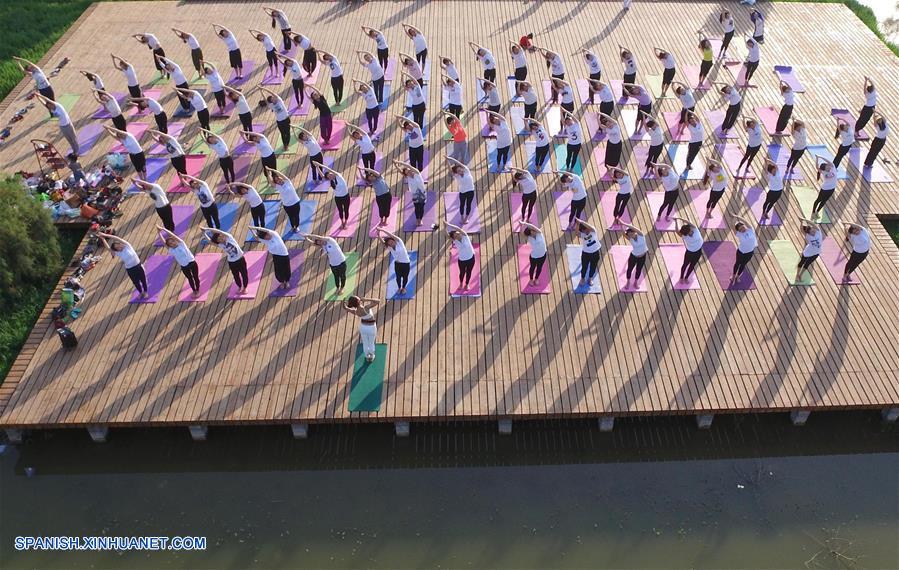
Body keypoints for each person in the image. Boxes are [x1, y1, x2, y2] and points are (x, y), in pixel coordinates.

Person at [98, 233, 147, 298]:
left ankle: (145, 292)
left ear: (120, 243)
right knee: (136, 282)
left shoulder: (127, 246)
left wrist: (105, 235)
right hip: (130, 269)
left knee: (143, 279)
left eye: (118, 245)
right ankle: (141, 293)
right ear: (116, 250)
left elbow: (116, 238)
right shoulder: (118, 253)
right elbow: (109, 249)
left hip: (138, 266)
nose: (119, 247)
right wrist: (103, 239)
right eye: (117, 248)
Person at [158, 226, 201, 296]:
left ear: (175, 241)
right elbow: (163, 242)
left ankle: (198, 290)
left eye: (173, 241)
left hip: (192, 263)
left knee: (195, 277)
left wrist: (163, 229)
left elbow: (173, 235)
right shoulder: (171, 250)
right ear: (169, 246)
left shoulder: (182, 244)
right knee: (190, 279)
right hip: (184, 267)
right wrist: (159, 232)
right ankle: (194, 290)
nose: (172, 243)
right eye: (170, 244)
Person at [205, 227, 248, 293]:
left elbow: (218, 231)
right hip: (232, 263)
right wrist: (204, 233)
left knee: (244, 274)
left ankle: (245, 287)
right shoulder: (221, 245)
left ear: (221, 235)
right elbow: (211, 242)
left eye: (220, 237)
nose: (221, 239)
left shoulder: (229, 238)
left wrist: (206, 229)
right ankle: (239, 287)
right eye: (218, 240)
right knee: (236, 276)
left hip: (240, 259)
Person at [344, 296, 380, 362]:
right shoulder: (366, 308)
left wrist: (344, 303)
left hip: (363, 327)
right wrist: (366, 299)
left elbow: (346, 308)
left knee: (365, 343)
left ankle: (367, 356)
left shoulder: (356, 311)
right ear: (358, 301)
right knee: (371, 343)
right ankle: (371, 356)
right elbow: (378, 301)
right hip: (371, 327)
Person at [377, 227, 412, 295]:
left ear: (394, 240)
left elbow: (391, 235)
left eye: (392, 241)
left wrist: (382, 230)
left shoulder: (399, 242)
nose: (391, 243)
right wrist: (378, 235)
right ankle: (399, 288)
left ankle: (404, 288)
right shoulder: (390, 248)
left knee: (405, 277)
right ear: (389, 245)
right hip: (397, 264)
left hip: (406, 263)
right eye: (390, 243)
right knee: (398, 277)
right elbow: (383, 243)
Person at [267, 167, 302, 232]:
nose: (278, 180)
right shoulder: (278, 187)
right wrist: (269, 173)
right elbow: (271, 182)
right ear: (276, 183)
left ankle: (296, 227)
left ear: (280, 178)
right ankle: (292, 227)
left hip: (295, 202)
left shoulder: (287, 181)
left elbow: (281, 174)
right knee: (291, 217)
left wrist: (273, 170)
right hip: (287, 205)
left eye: (278, 178)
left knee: (296, 216)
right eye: (276, 180)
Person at [445, 221, 476, 291]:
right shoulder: (455, 241)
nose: (458, 235)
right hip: (462, 260)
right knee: (462, 273)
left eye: (457, 234)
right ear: (454, 238)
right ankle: (461, 283)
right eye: (455, 236)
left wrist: (448, 225)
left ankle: (467, 284)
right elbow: (447, 236)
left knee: (469, 272)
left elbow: (458, 228)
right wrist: (445, 228)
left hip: (471, 258)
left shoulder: (465, 236)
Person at [728, 214, 757, 285]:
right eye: (740, 229)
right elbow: (732, 227)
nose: (742, 229)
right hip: (741, 252)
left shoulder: (750, 229)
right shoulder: (739, 234)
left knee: (743, 264)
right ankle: (733, 276)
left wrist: (738, 216)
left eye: (743, 227)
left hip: (750, 252)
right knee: (737, 263)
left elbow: (746, 222)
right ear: (739, 231)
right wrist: (733, 219)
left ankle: (738, 276)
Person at [396, 161, 426, 227]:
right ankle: (417, 219)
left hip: (422, 194)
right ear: (406, 174)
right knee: (416, 208)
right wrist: (396, 165)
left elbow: (409, 166)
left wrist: (399, 162)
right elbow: (400, 171)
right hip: (415, 195)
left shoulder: (417, 173)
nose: (409, 172)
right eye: (407, 173)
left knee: (421, 207)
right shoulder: (408, 178)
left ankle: (420, 219)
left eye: (409, 171)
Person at [573, 218, 602, 288]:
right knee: (584, 267)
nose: (588, 229)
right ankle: (582, 278)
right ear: (583, 230)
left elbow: (591, 227)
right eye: (586, 229)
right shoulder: (583, 235)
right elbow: (577, 233)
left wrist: (582, 221)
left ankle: (590, 278)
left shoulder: (593, 231)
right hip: (586, 254)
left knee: (593, 267)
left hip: (595, 253)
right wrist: (578, 224)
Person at [674, 217, 704, 283]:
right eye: (690, 230)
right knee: (685, 265)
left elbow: (688, 222)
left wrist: (680, 219)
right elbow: (677, 231)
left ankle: (686, 277)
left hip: (698, 251)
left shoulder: (695, 229)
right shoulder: (684, 236)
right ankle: (681, 278)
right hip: (689, 253)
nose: (691, 230)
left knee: (692, 265)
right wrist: (676, 221)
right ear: (687, 233)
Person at [447, 157, 476, 224]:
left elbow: (458, 163)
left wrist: (450, 158)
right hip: (462, 192)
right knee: (462, 205)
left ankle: (466, 219)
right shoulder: (457, 176)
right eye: (458, 171)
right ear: (457, 172)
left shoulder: (467, 170)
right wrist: (447, 161)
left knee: (469, 205)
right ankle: (462, 217)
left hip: (471, 191)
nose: (460, 171)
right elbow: (450, 170)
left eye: (460, 169)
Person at [520, 221, 547, 287]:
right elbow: (522, 234)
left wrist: (525, 223)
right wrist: (521, 227)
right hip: (534, 257)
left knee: (539, 268)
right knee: (532, 268)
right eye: (532, 231)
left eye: (533, 230)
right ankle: (531, 279)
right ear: (530, 233)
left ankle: (536, 278)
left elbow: (532, 226)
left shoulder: (539, 233)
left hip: (542, 255)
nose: (534, 230)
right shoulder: (529, 238)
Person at [620, 223, 648, 288]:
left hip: (642, 257)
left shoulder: (641, 235)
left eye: (632, 234)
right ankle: (628, 282)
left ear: (634, 232)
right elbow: (623, 234)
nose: (631, 236)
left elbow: (632, 227)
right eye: (630, 235)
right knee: (629, 269)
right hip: (634, 256)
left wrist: (624, 223)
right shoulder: (630, 239)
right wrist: (621, 227)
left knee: (639, 269)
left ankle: (636, 282)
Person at [795, 219, 822, 283]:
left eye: (812, 230)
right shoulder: (808, 236)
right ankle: (797, 275)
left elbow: (813, 224)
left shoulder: (818, 232)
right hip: (808, 252)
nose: (813, 232)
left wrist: (805, 220)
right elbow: (801, 230)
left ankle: (800, 275)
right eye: (811, 232)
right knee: (802, 262)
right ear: (808, 233)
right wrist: (801, 223)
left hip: (816, 253)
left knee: (807, 264)